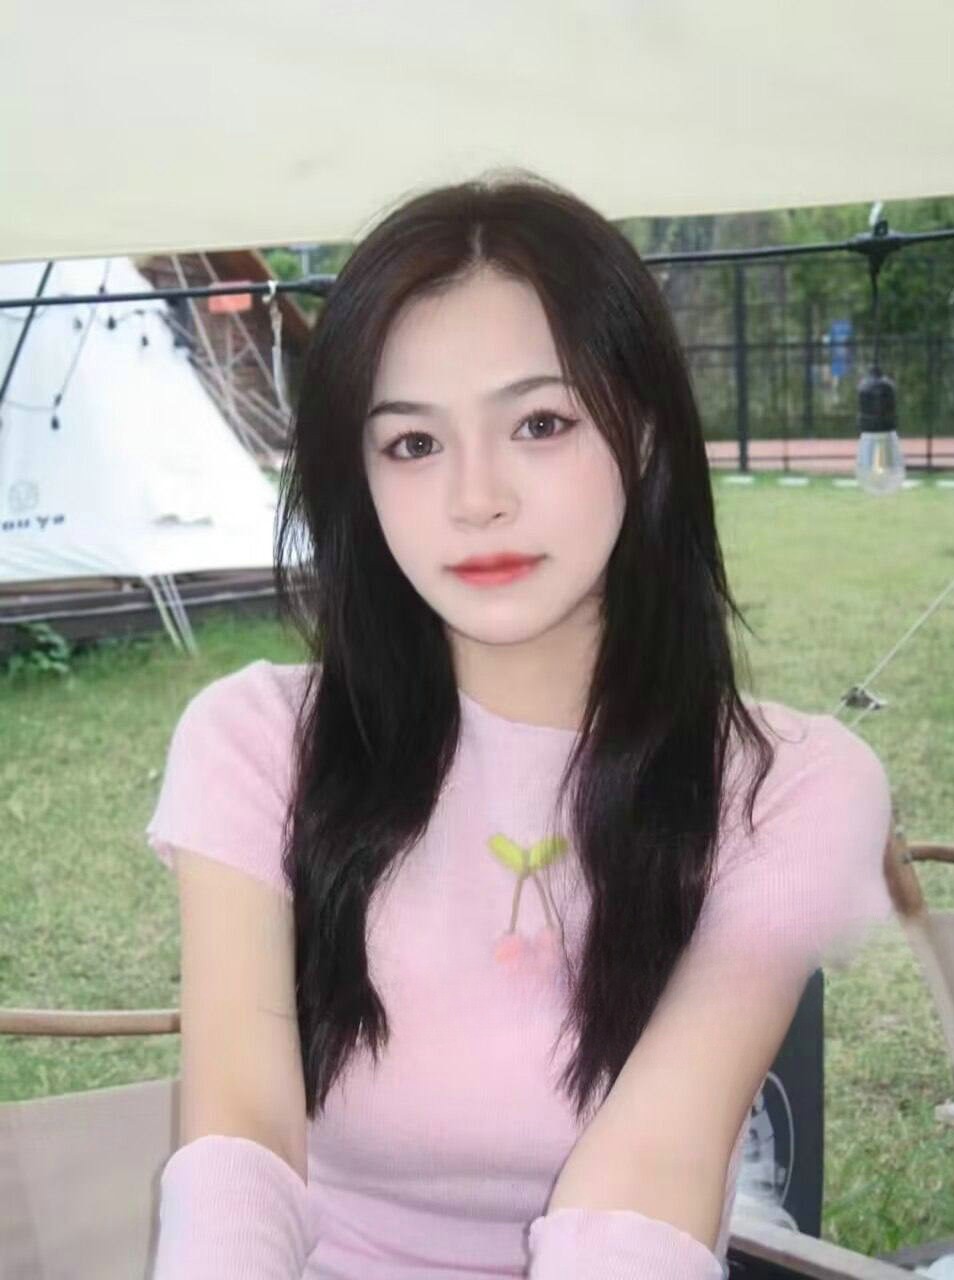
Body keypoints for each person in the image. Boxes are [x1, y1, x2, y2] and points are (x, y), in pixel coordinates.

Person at [145, 170, 895, 1279]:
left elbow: (654, 1170)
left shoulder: (794, 787)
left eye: (541, 423)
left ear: (645, 432)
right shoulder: (254, 742)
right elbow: (243, 1133)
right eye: (413, 443)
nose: (476, 497)